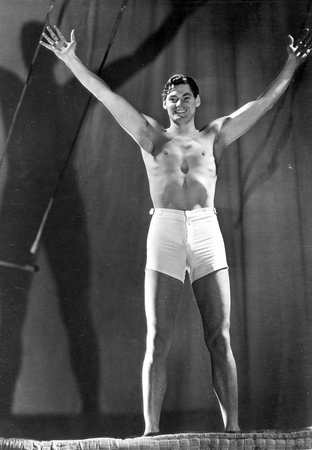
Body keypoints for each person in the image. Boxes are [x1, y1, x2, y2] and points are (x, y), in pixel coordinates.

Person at [40, 26, 312, 435]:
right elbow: (106, 97)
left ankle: (233, 430)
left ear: (197, 101)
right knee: (156, 340)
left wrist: (291, 64)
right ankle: (151, 432)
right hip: (165, 230)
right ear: (164, 105)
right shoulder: (151, 136)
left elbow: (262, 104)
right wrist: (70, 60)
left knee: (220, 335)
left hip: (206, 230)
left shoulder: (214, 136)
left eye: (186, 97)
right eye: (172, 98)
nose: (179, 103)